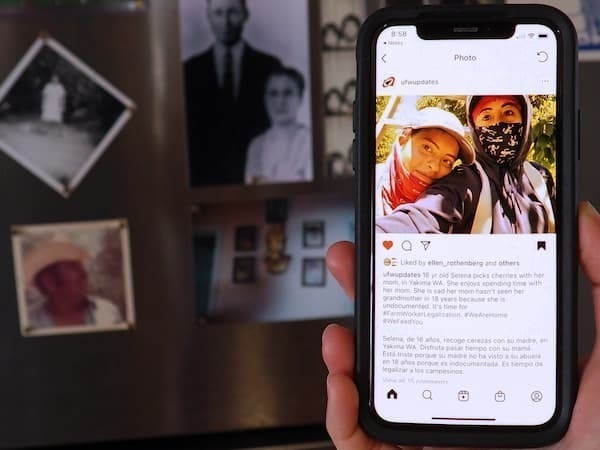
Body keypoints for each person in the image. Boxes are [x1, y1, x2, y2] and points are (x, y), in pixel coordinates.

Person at [323, 201, 600, 450]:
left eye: (447, 158)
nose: (437, 163)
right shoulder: (467, 178)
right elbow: (423, 213)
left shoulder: (535, 180)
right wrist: (388, 237)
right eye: (428, 147)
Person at [376, 95, 556, 234]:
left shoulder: (541, 178)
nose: (498, 123)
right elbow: (423, 216)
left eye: (509, 112)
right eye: (486, 117)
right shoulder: (467, 182)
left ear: (525, 119)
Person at [184, 0, 282, 186]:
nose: (226, 21)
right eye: (218, 13)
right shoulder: (189, 71)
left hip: (257, 178)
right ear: (209, 17)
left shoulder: (269, 67)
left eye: (233, 12)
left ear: (246, 14)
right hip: (204, 182)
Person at [374, 107, 475, 217]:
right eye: (427, 148)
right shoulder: (361, 184)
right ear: (403, 140)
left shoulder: (449, 209)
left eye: (446, 161)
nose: (435, 167)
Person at [23, 240, 122, 328]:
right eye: (73, 266)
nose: (84, 273)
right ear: (50, 282)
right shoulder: (30, 322)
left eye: (80, 266)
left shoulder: (107, 312)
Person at [244, 66, 313, 185]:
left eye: (288, 93)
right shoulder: (257, 146)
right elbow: (253, 189)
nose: (280, 101)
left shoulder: (310, 141)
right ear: (265, 98)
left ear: (300, 97)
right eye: (273, 93)